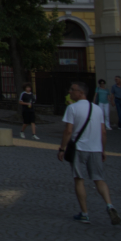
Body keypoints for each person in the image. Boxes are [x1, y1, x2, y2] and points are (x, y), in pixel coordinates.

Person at [58, 81, 121, 225]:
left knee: (79, 179)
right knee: (99, 179)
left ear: (81, 93)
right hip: (96, 149)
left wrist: (62, 148)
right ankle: (109, 205)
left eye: (72, 89)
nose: (70, 92)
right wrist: (103, 150)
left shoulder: (72, 108)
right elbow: (103, 132)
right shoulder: (97, 109)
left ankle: (85, 214)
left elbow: (68, 131)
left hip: (79, 149)